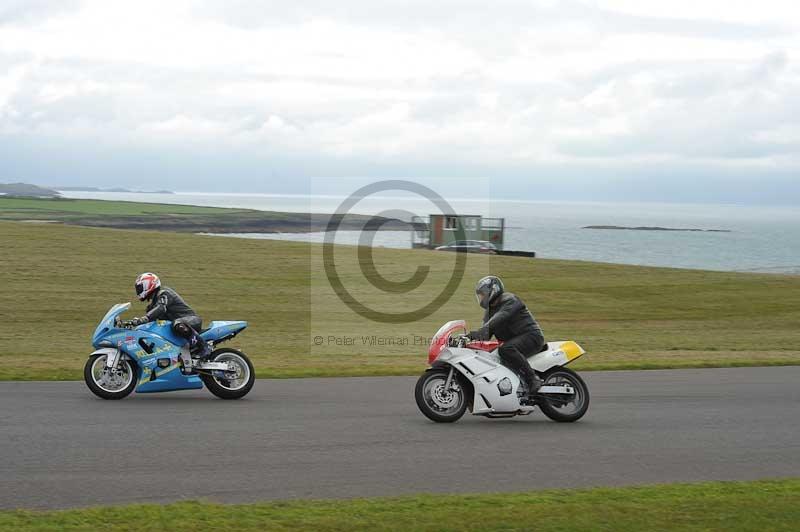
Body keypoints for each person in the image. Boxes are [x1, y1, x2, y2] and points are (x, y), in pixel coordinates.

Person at [468, 275, 544, 395]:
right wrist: (468, 338)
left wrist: (484, 329)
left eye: (483, 294)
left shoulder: (509, 300)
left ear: (493, 290)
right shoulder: (489, 311)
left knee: (506, 349)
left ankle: (533, 379)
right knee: (490, 355)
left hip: (531, 336)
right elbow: (485, 335)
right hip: (514, 341)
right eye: (480, 295)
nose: (481, 298)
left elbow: (501, 316)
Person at [123, 272, 213, 360]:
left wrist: (143, 319)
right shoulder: (151, 307)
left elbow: (161, 308)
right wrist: (133, 325)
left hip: (191, 320)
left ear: (149, 284)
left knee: (177, 324)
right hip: (177, 327)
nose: (138, 290)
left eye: (140, 287)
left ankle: (204, 346)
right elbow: (149, 322)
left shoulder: (164, 293)